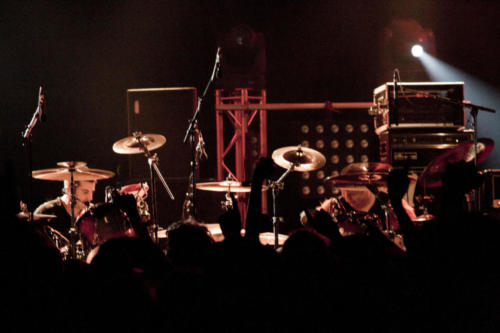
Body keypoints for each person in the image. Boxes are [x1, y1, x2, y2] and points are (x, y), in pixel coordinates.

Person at [33, 179, 96, 249]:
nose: (91, 198)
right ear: (69, 190)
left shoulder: (92, 212)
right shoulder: (46, 211)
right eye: (85, 192)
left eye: (92, 192)